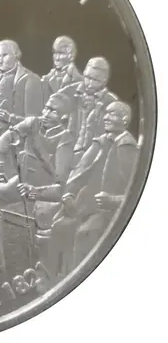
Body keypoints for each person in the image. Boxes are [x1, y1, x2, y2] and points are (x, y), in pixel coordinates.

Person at [0, 92, 74, 276]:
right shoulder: (33, 123)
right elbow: (6, 137)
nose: (46, 113)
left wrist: (36, 192)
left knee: (43, 213)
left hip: (46, 192)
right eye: (46, 108)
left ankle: (45, 271)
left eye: (53, 111)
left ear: (64, 117)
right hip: (23, 182)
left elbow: (61, 188)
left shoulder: (65, 141)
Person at [52, 101, 139, 270]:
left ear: (125, 119)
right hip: (83, 208)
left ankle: (77, 277)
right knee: (59, 227)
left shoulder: (128, 148)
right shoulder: (100, 143)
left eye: (112, 114)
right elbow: (80, 173)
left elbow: (137, 193)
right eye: (106, 113)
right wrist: (69, 194)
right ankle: (55, 277)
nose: (106, 117)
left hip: (110, 213)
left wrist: (113, 200)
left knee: (86, 233)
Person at [0, 40, 43, 188]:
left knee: (12, 189)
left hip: (15, 147)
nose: (0, 60)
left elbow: (35, 122)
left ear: (16, 55)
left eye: (5, 55)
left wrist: (9, 118)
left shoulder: (31, 80)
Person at [60, 57, 117, 162]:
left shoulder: (111, 103)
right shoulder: (70, 91)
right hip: (66, 152)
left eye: (95, 80)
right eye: (87, 77)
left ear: (104, 80)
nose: (89, 84)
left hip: (94, 157)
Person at [41, 36, 82, 103]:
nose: (57, 58)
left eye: (61, 53)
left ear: (71, 56)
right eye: (55, 53)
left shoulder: (79, 81)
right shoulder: (46, 80)